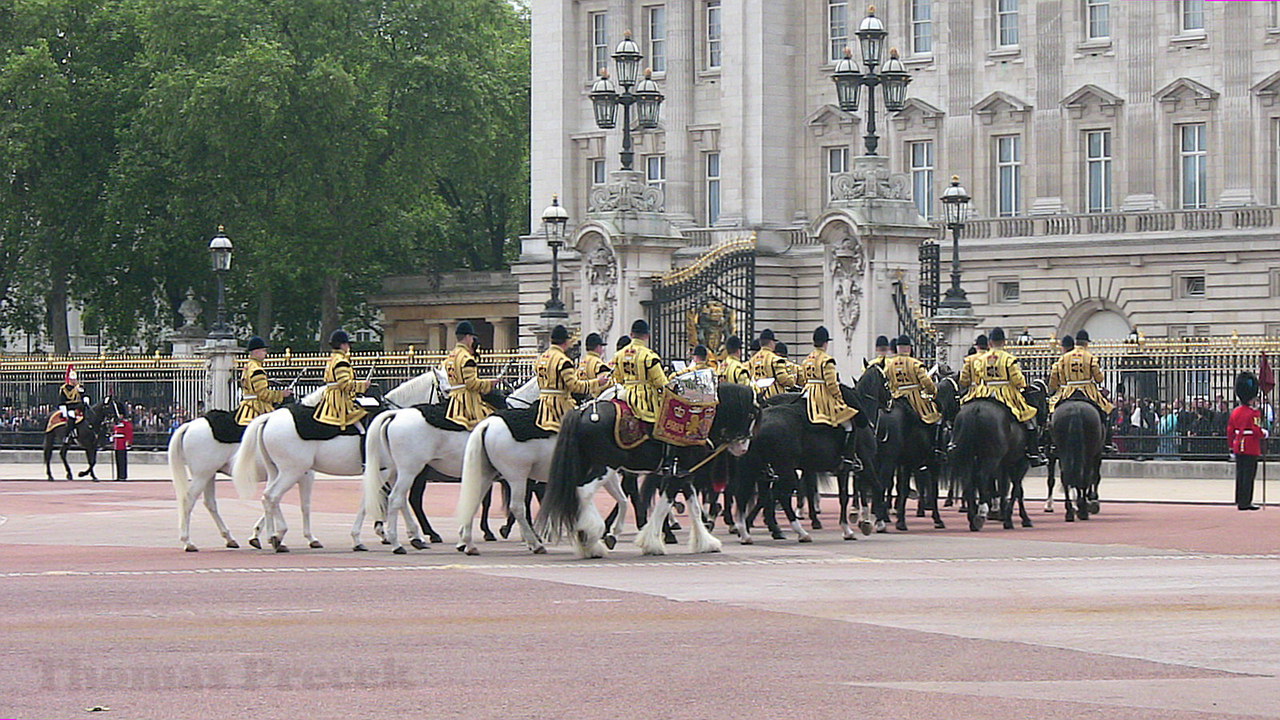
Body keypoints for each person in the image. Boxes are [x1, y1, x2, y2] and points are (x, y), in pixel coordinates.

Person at [960, 327, 1045, 466]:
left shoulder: (980, 359)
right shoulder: (1009, 359)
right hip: (1005, 393)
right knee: (1029, 418)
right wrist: (1022, 385)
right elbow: (1018, 380)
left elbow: (975, 376)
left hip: (984, 391)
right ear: (1004, 342)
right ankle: (1033, 452)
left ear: (990, 343)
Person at [1047, 330, 1116, 452]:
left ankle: (1051, 442)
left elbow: (1054, 379)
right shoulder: (1090, 357)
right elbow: (1099, 378)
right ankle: (1107, 443)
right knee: (1106, 411)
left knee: (1051, 413)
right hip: (1087, 391)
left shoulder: (1064, 358)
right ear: (1086, 343)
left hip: (1068, 390)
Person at [536, 325, 610, 432]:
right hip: (559, 406)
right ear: (565, 342)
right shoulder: (563, 361)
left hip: (542, 406)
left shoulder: (541, 358)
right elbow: (574, 386)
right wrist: (597, 382)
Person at [613, 319, 668, 424]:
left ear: (631, 334)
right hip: (643, 399)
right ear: (647, 336)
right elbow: (660, 382)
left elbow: (617, 379)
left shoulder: (619, 355)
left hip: (624, 394)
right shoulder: (649, 356)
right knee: (660, 420)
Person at [443, 321, 495, 430]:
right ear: (467, 337)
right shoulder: (467, 358)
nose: (472, 340)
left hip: (453, 400)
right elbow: (471, 384)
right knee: (491, 420)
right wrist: (489, 383)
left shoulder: (451, 356)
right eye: (471, 337)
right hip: (467, 402)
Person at [802, 326, 857, 429]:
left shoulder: (807, 359)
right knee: (848, 424)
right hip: (821, 395)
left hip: (807, 392)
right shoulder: (827, 360)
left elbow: (804, 378)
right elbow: (831, 384)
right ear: (825, 343)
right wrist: (838, 397)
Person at [314, 330, 369, 432]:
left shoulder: (332, 359)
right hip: (339, 399)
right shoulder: (341, 361)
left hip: (330, 395)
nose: (348, 347)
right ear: (342, 345)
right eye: (347, 344)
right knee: (359, 417)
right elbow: (344, 384)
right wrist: (362, 385)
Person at [1227, 371, 1267, 511]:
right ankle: (1246, 502)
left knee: (1241, 474)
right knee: (1249, 475)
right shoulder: (1253, 413)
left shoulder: (1235, 411)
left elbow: (1230, 430)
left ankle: (1240, 500)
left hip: (1238, 445)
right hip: (1250, 446)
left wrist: (1231, 446)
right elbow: (1256, 430)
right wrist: (1265, 433)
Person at [235, 336, 293, 425]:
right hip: (257, 409)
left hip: (246, 407)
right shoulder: (257, 370)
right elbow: (263, 394)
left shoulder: (248, 366)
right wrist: (282, 394)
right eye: (263, 351)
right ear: (256, 352)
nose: (265, 353)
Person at [884, 334, 941, 425]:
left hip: (896, 396)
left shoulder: (889, 365)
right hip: (915, 399)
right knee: (933, 417)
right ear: (908, 348)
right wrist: (932, 391)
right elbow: (926, 382)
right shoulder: (915, 364)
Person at [749, 329, 796, 400]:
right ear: (771, 342)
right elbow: (784, 379)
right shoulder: (776, 359)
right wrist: (792, 378)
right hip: (775, 398)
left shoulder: (751, 361)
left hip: (758, 396)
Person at [57, 365, 85, 441]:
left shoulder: (79, 387)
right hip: (70, 407)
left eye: (75, 379)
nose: (74, 381)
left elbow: (84, 395)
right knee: (72, 416)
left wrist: (85, 398)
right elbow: (62, 401)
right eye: (72, 380)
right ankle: (69, 433)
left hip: (80, 406)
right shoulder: (64, 389)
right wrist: (64, 410)